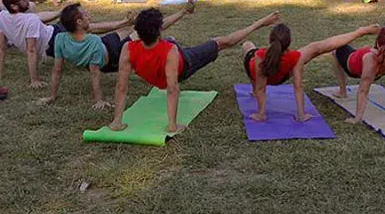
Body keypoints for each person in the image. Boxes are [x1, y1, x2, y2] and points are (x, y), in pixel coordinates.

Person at [108, 11, 282, 134]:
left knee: (181, 45)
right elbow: (172, 88)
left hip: (173, 59)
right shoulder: (169, 50)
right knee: (222, 42)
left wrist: (117, 122)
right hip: (186, 65)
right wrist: (172, 125)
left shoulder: (128, 48)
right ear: (159, 31)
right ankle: (260, 22)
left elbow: (121, 87)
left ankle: (260, 22)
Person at [40, 3, 172, 110]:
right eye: (85, 15)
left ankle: (157, 33)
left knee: (128, 30)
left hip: (106, 44)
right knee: (145, 29)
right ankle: (178, 18)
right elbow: (95, 74)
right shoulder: (92, 42)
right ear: (79, 22)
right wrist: (99, 101)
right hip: (115, 54)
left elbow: (57, 71)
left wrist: (52, 96)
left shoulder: (60, 38)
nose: (89, 16)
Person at [242, 23, 381, 122]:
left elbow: (261, 87)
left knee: (247, 45)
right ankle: (359, 31)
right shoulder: (294, 57)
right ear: (289, 42)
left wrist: (261, 114)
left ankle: (360, 31)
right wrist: (301, 115)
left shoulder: (259, 55)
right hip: (279, 75)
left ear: (270, 40)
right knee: (317, 47)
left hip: (255, 73)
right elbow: (298, 87)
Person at [0, 0, 65, 87]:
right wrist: (34, 80)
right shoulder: (30, 19)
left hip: (52, 32)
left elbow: (1, 47)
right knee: (83, 28)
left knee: (83, 26)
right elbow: (31, 50)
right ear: (13, 6)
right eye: (23, 0)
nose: (27, 1)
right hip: (55, 39)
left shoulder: (2, 16)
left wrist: (0, 75)